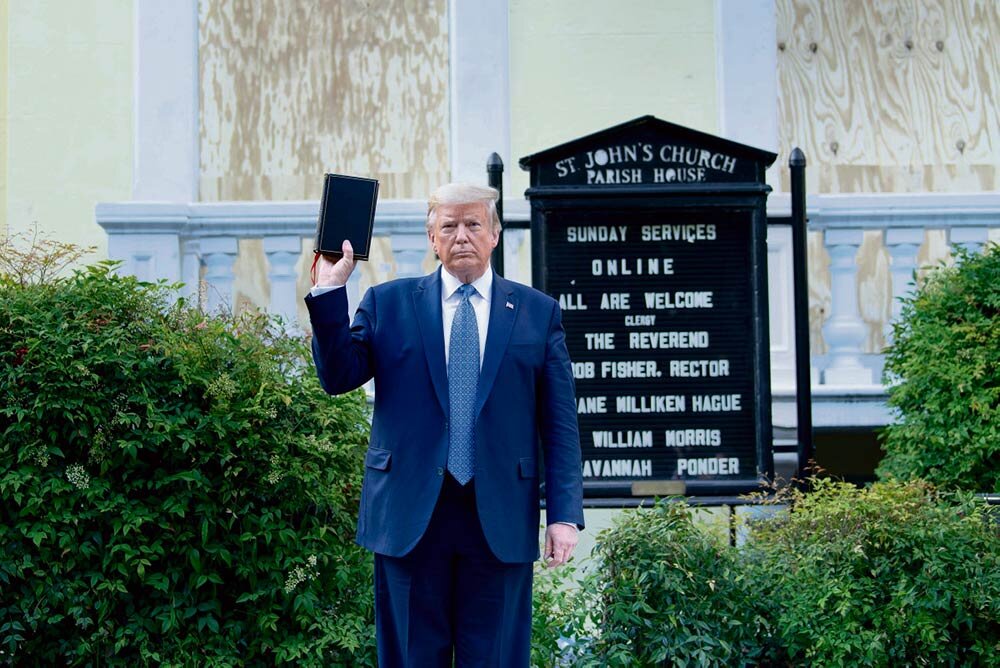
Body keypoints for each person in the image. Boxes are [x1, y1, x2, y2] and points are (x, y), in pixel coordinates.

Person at [304, 182, 584, 667]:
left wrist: (562, 515)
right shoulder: (388, 304)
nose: (462, 236)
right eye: (449, 226)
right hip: (409, 518)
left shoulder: (538, 313)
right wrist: (331, 291)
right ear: (432, 238)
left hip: (499, 518)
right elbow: (338, 377)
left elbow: (559, 425)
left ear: (494, 234)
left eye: (473, 224)